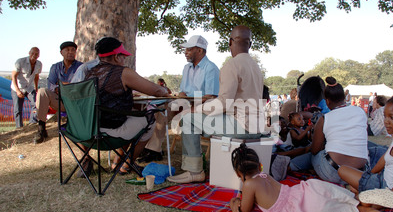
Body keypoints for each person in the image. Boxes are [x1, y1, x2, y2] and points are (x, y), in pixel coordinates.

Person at [228, 144, 393, 212]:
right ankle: (368, 197)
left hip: (308, 208)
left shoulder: (249, 185)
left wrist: (234, 203)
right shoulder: (265, 175)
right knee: (353, 201)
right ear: (259, 164)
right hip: (309, 189)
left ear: (239, 174)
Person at [167, 25, 265, 184]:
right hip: (257, 127)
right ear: (250, 44)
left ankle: (194, 171)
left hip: (241, 126)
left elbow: (223, 103)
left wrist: (195, 110)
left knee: (189, 119)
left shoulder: (232, 65)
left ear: (230, 42)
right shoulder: (256, 67)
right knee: (198, 117)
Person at [82, 37, 169, 175]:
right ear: (117, 57)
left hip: (86, 131)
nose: (125, 59)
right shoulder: (123, 72)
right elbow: (156, 90)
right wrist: (165, 91)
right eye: (123, 56)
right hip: (110, 132)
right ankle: (127, 164)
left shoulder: (88, 72)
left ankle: (117, 161)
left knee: (130, 115)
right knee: (149, 119)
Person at [138, 35, 220, 163]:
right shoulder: (186, 68)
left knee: (168, 110)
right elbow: (183, 91)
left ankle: (153, 150)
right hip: (187, 102)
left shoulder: (211, 68)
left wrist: (190, 107)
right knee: (160, 111)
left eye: (189, 49)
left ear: (200, 50)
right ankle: (154, 149)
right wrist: (179, 99)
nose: (185, 52)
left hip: (204, 105)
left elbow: (211, 97)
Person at [289, 77, 369, 184]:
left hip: (333, 172)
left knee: (315, 154)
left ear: (326, 101)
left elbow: (314, 150)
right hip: (359, 172)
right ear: (344, 97)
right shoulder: (360, 111)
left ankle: (293, 165)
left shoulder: (324, 118)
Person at [34, 41, 83, 144]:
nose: (70, 52)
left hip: (75, 102)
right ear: (62, 52)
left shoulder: (81, 67)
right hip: (59, 100)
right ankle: (41, 128)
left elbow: (79, 86)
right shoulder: (55, 67)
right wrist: (65, 85)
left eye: (73, 50)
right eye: (67, 50)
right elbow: (50, 85)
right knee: (43, 92)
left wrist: (61, 84)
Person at [10, 47, 41, 128]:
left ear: (39, 55)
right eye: (32, 53)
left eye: (36, 54)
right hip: (18, 87)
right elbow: (14, 76)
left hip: (29, 87)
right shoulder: (20, 61)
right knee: (18, 109)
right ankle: (19, 128)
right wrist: (17, 91)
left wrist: (36, 89)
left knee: (36, 104)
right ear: (29, 53)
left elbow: (36, 76)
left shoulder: (39, 64)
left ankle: (32, 123)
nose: (34, 55)